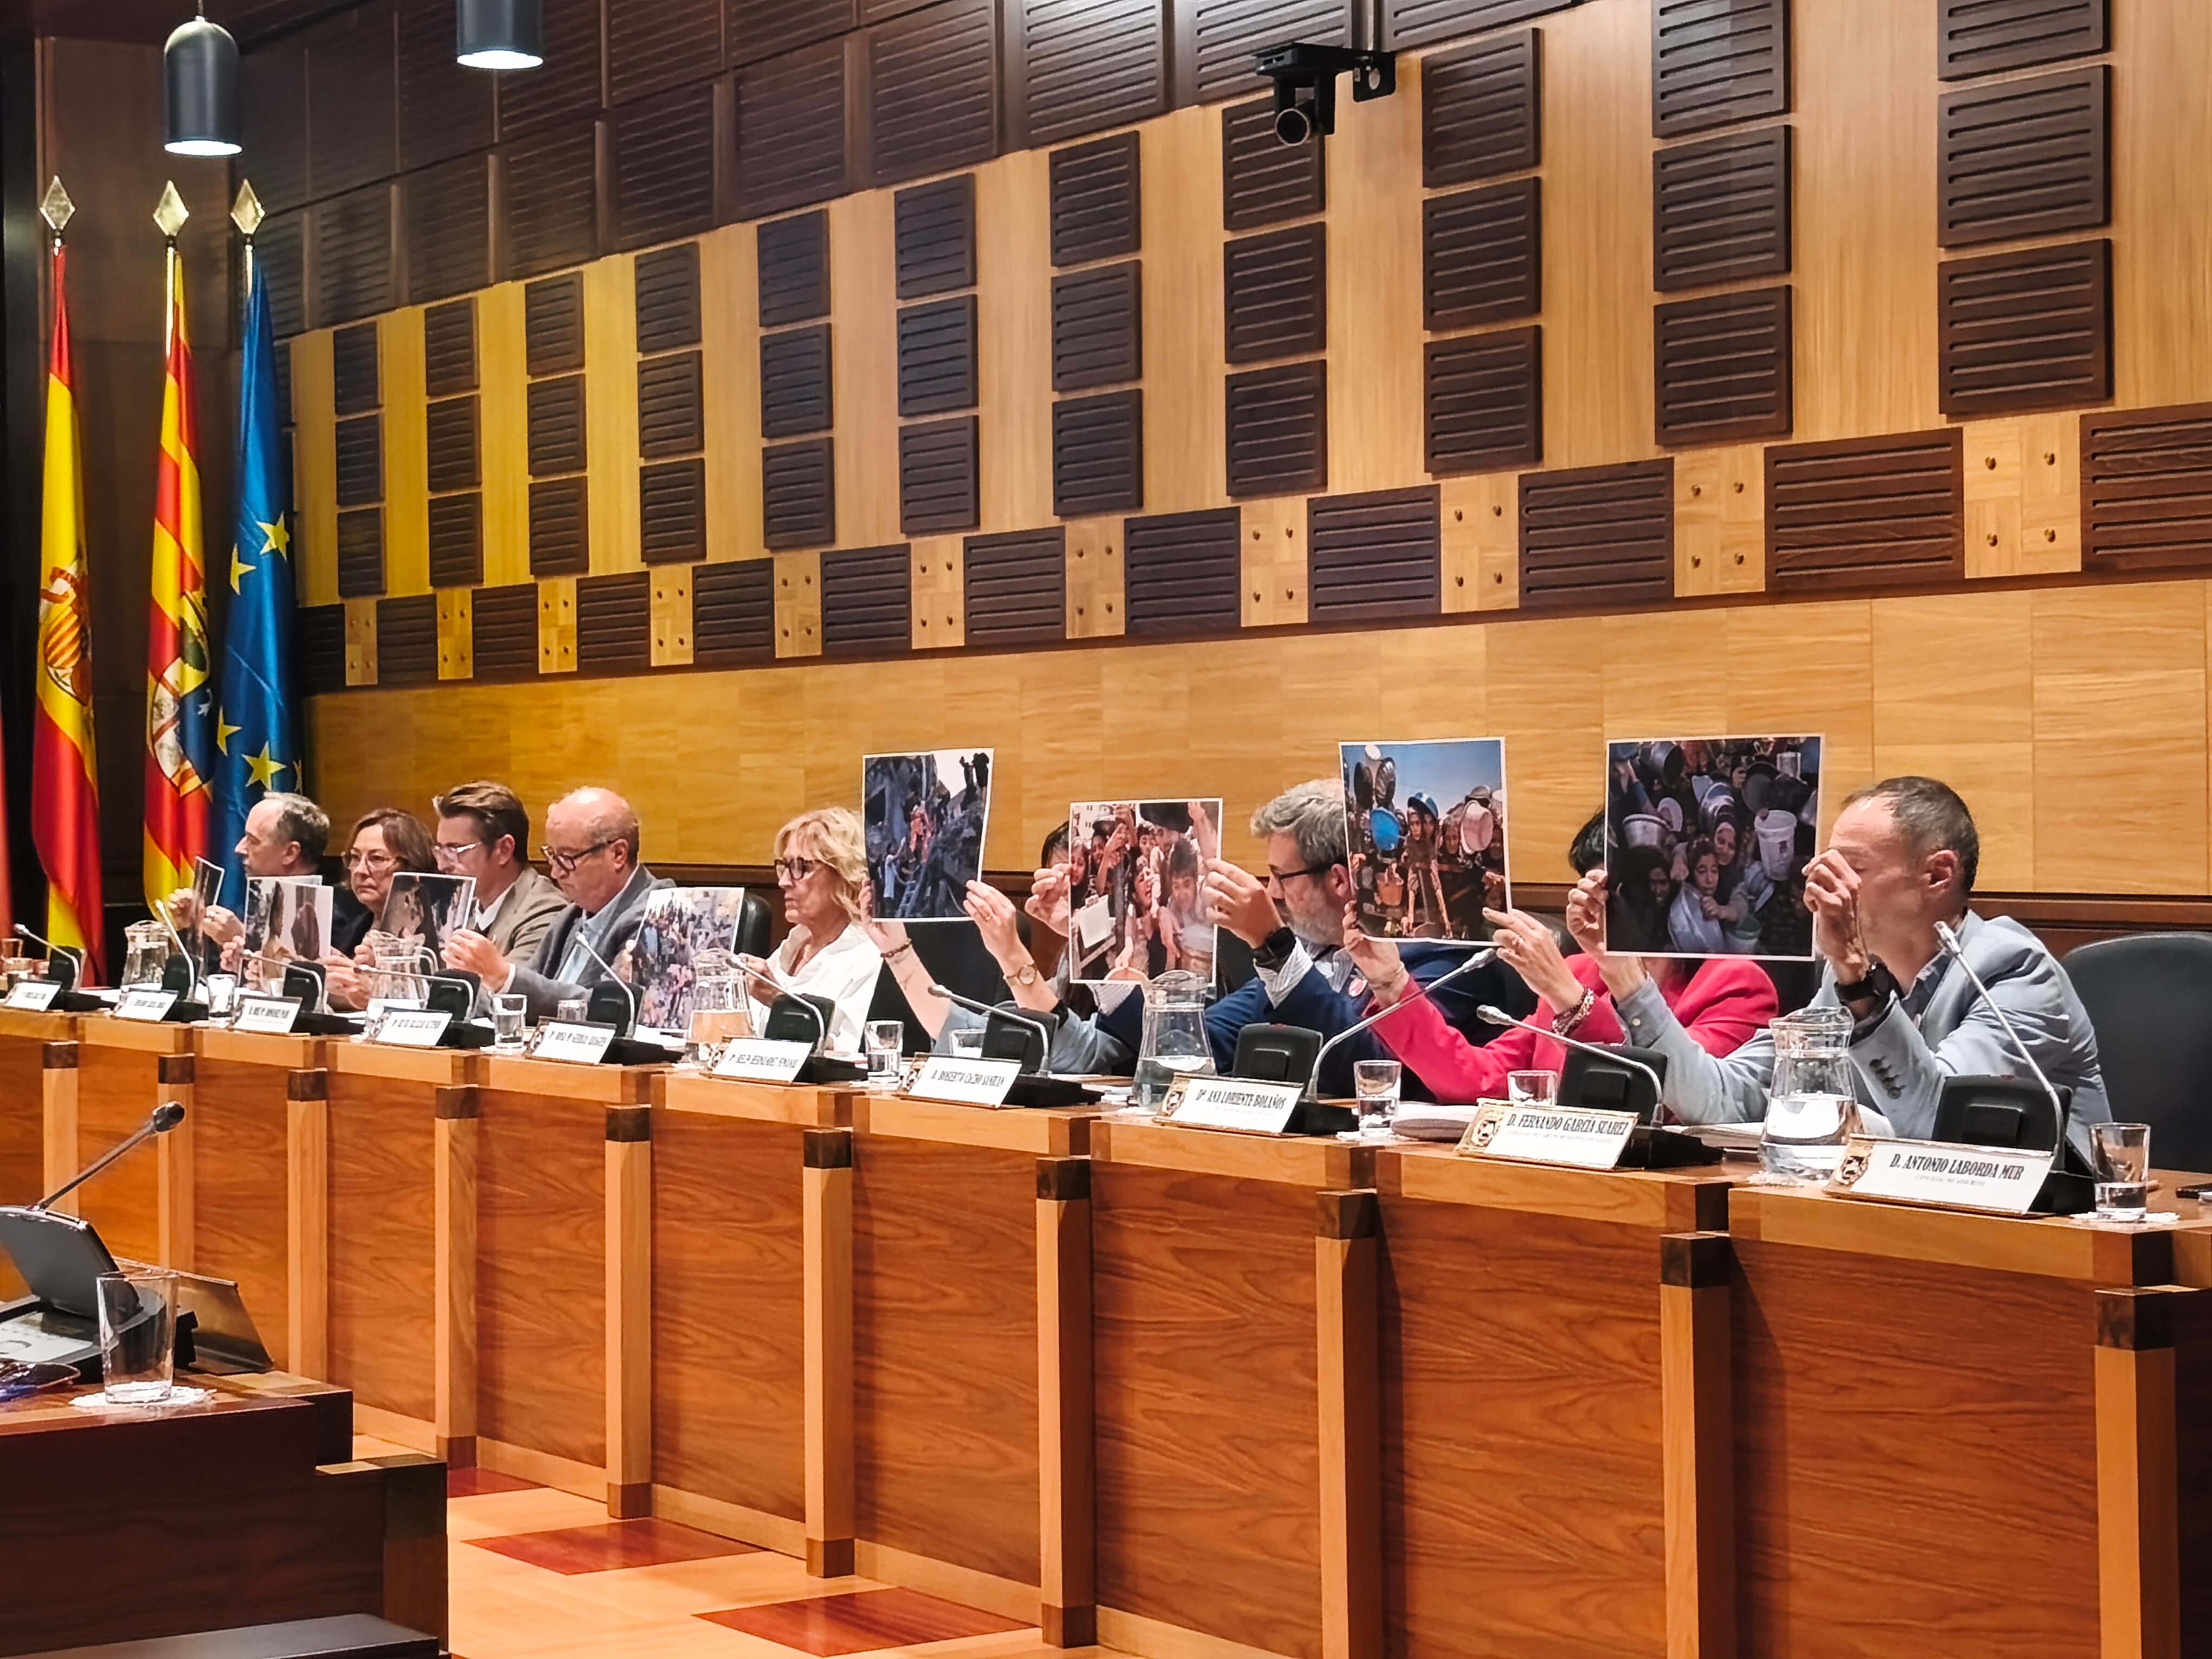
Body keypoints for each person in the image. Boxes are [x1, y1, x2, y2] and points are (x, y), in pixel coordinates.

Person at [1616, 776, 2112, 1157]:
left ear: (1938, 874)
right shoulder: (1848, 980)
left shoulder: (2016, 971)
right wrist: (1625, 978)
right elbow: (1726, 1100)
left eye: (1851, 866)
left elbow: (1939, 1129)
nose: (1823, 886)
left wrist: (1856, 978)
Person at [1098, 780, 1525, 1097]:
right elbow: (1205, 1045)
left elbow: (1373, 1070)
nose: (1274, 892)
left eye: (1281, 876)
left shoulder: (1447, 958)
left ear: (1339, 879)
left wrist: (1274, 946)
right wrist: (1109, 962)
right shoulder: (1312, 949)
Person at [1342, 886, 1776, 1103]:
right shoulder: (1581, 970)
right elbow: (1479, 1079)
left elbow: (1673, 1101)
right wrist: (1391, 980)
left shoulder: (1735, 984)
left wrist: (1569, 997)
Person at [444, 787, 662, 1020]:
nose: (556, 873)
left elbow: (615, 1010)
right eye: (552, 857)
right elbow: (517, 994)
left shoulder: (656, 917)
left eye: (567, 859)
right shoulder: (571, 918)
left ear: (618, 854)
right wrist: (469, 982)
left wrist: (502, 976)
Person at [736, 808, 883, 1053]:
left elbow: (854, 1054)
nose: (783, 882)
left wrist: (780, 1001)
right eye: (784, 866)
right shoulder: (794, 944)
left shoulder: (870, 955)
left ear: (844, 874)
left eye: (801, 867)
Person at [166, 792, 329, 949]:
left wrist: (244, 941)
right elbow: (209, 975)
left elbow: (301, 973)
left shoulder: (332, 921)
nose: (239, 849)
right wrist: (195, 925)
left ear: (290, 853)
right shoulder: (253, 902)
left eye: (253, 841)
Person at [433, 782, 567, 964]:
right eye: (440, 851)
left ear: (504, 849)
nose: (442, 865)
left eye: (456, 850)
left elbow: (510, 987)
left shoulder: (544, 912)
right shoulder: (460, 906)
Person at [320, 808, 438, 1009]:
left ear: (412, 864)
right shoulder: (353, 928)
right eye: (355, 858)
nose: (360, 871)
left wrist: (375, 990)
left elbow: (432, 1004)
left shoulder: (433, 935)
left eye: (377, 859)